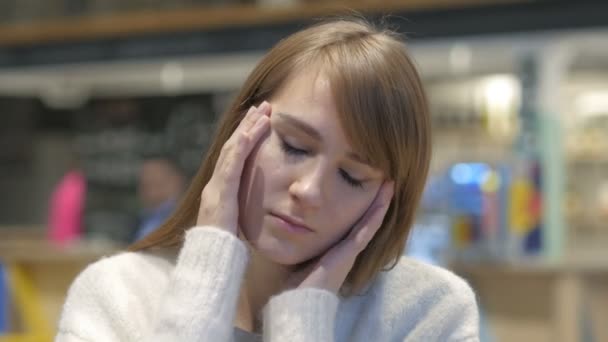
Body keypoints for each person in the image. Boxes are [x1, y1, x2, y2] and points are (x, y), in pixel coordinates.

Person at [56, 18, 479, 341]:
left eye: (352, 176)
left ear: (388, 198)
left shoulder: (426, 313)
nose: (309, 190)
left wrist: (304, 317)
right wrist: (207, 273)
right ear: (241, 131)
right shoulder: (118, 296)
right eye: (294, 147)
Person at [133, 155, 186, 242]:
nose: (152, 193)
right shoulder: (143, 218)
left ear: (178, 181)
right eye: (145, 186)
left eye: (158, 185)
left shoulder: (187, 221)